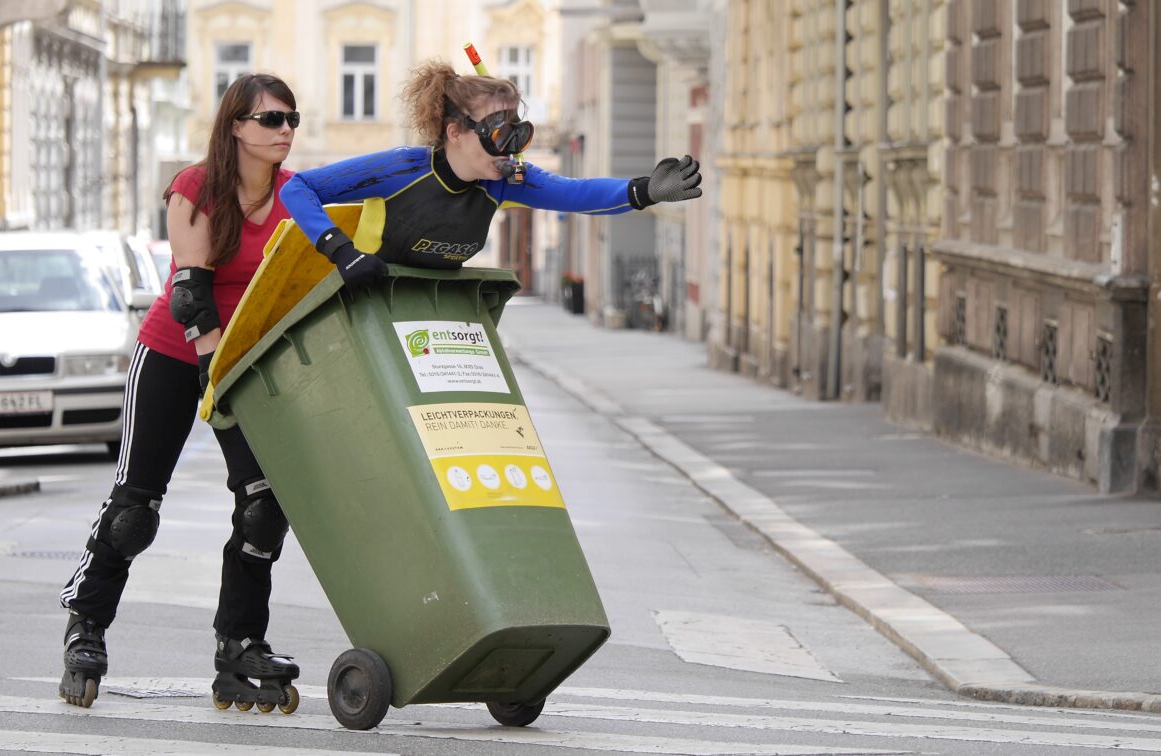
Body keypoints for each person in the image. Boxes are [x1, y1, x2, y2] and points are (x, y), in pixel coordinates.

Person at [58, 73, 302, 712]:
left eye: (290, 119)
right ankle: (87, 625)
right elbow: (191, 292)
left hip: (243, 363)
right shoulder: (197, 187)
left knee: (262, 508)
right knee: (137, 506)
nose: (285, 131)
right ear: (236, 127)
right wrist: (210, 370)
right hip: (174, 353)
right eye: (271, 119)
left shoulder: (294, 195)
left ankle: (239, 642)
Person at [278, 60, 702, 288]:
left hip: (439, 317)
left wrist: (645, 190)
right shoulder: (401, 168)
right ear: (455, 132)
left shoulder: (502, 179)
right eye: (499, 133)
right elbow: (299, 188)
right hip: (365, 308)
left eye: (518, 133)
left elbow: (576, 195)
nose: (510, 149)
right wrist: (342, 251)